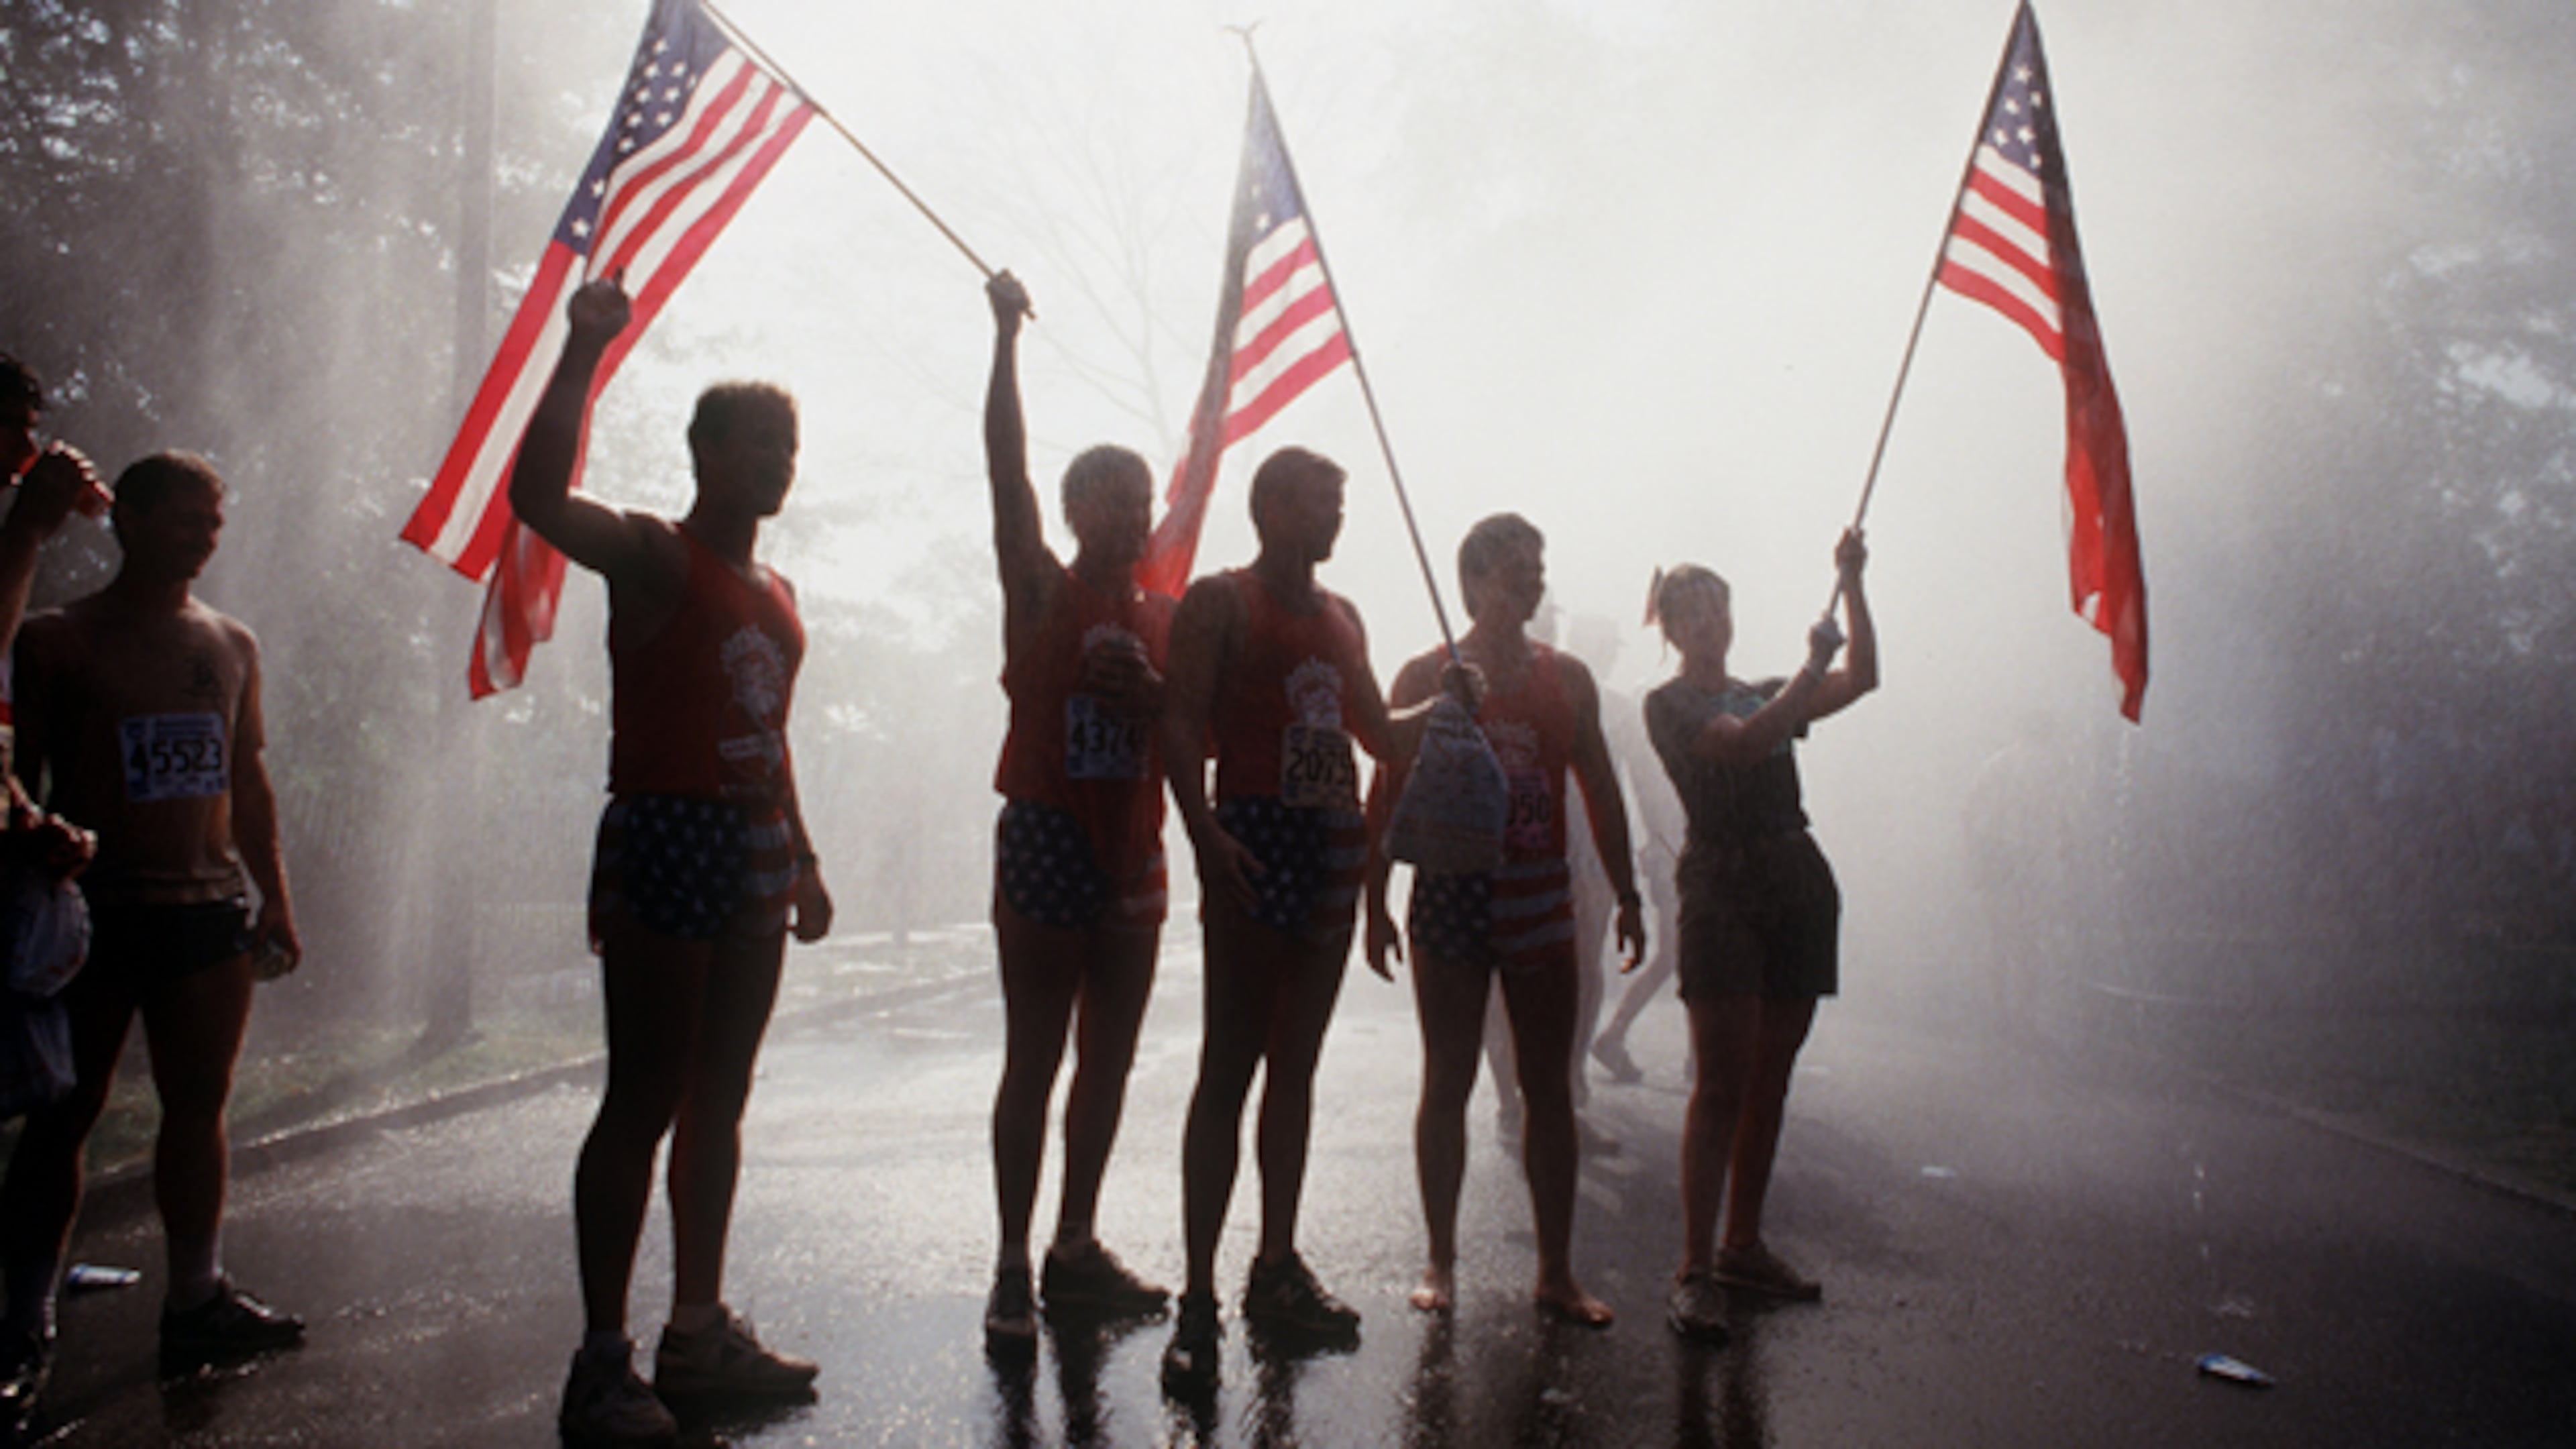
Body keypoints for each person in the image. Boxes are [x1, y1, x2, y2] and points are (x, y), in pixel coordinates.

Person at [510, 278, 835, 1446]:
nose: (780, 462)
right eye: (760, 442)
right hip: (667, 830)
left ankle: (696, 1334)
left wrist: (800, 852)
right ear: (706, 450)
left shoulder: (778, 592)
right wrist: (582, 346)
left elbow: (768, 724)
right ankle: (603, 1362)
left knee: (722, 1095)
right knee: (644, 1093)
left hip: (751, 840)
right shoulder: (653, 552)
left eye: (790, 446)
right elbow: (536, 495)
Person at [0, 451, 304, 1406]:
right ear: (125, 519)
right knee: (65, 1116)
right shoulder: (55, 639)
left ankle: (196, 1296)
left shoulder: (232, 642)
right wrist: (31, 838)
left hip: (205, 911)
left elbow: (246, 779)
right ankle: (20, 1326)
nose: (203, 537)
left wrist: (275, 897)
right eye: (184, 518)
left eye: (213, 522)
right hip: (96, 912)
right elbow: (12, 771)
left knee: (197, 1106)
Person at [1157, 447, 1463, 1392]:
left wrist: (1447, 703)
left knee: (1297, 1068)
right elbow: (1178, 723)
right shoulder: (1221, 602)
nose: (1337, 518)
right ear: (1275, 506)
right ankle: (1198, 1297)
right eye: (1324, 503)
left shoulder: (1343, 617)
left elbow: (1378, 733)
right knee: (1230, 1066)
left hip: (1328, 853)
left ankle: (1276, 1265)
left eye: (1341, 503)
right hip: (1253, 845)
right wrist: (1203, 835)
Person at [1364, 514, 1642, 1327]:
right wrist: (1372, 899)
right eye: (1518, 568)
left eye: (1539, 566)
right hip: (1450, 893)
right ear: (1478, 579)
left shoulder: (1569, 679)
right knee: (1446, 1076)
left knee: (1548, 1085)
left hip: (1539, 895)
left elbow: (1598, 785)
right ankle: (1440, 1261)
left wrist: (1625, 892)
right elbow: (1387, 784)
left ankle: (1556, 1270)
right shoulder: (1427, 671)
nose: (1533, 580)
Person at [976, 272, 1173, 1354]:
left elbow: (1186, 733)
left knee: (1111, 1059)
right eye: (1110, 498)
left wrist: (1163, 703)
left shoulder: (1167, 617)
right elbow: (1002, 470)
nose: (1132, 514)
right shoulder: (1041, 590)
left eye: (1140, 499)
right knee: (1037, 1054)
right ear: (1072, 513)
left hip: (1134, 848)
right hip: (1048, 834)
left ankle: (1076, 1244)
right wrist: (1005, 343)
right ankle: (1012, 1261)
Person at [1645, 530, 1874, 1344]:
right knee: (1720, 1083)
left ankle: (1743, 1245)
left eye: (1718, 608)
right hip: (1722, 888)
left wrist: (1851, 585)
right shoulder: (1670, 704)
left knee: (1771, 1076)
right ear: (1670, 629)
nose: (1710, 623)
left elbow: (1865, 678)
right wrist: (1812, 667)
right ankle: (1695, 1267)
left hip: (1795, 880)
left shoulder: (1764, 686)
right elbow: (1740, 747)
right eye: (1692, 613)